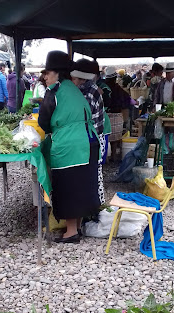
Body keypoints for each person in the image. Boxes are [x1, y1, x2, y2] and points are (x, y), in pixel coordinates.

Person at [38, 50, 100, 243]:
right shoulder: (73, 88)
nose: (44, 77)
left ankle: (71, 232)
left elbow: (44, 121)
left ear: (56, 73)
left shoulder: (54, 91)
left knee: (68, 184)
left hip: (70, 144)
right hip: (89, 141)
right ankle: (77, 227)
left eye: (47, 73)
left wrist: (51, 130)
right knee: (82, 184)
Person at [71, 58, 105, 204]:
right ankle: (92, 207)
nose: (75, 81)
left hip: (92, 139)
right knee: (93, 176)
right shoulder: (87, 89)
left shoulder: (90, 91)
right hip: (91, 139)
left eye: (77, 78)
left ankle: (94, 209)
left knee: (92, 176)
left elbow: (84, 119)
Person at [105, 66, 131, 163]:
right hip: (116, 114)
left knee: (106, 136)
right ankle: (114, 155)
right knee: (115, 138)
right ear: (114, 78)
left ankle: (106, 156)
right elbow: (126, 98)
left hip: (106, 114)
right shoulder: (118, 88)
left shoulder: (103, 87)